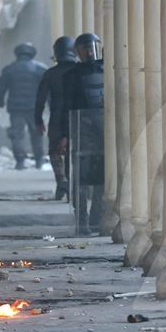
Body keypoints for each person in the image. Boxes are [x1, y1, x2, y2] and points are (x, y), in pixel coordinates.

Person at [61, 33, 105, 234]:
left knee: (104, 175)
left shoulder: (107, 70)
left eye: (92, 47)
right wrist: (64, 134)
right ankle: (82, 218)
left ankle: (97, 215)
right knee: (81, 176)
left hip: (104, 128)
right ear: (77, 51)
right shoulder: (71, 75)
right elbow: (65, 107)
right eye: (85, 48)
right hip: (81, 129)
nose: (89, 52)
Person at [35, 36, 78, 200]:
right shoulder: (79, 71)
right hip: (76, 117)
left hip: (56, 117)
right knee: (73, 153)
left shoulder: (50, 74)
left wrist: (38, 120)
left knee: (54, 151)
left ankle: (62, 182)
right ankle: (70, 187)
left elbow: (40, 99)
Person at [0, 42, 47, 170]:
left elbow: (0, 89)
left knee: (17, 134)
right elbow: (47, 89)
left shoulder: (10, 69)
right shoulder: (40, 69)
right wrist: (50, 103)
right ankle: (39, 160)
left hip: (16, 108)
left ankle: (20, 161)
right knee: (37, 134)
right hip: (34, 108)